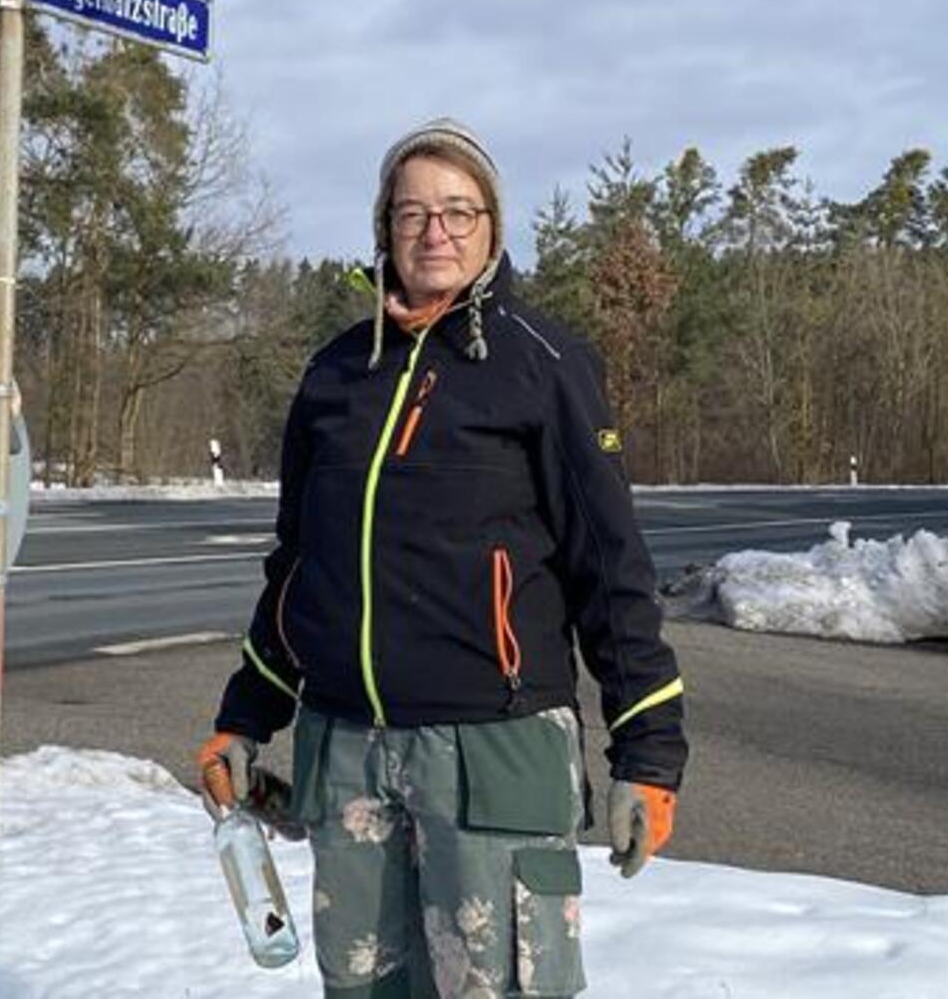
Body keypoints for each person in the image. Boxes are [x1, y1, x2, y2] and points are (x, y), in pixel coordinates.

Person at [197, 119, 688, 998]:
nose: (436, 233)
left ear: (493, 226)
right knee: (362, 989)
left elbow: (610, 572)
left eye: (459, 212)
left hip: (494, 754)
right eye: (413, 212)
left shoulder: (545, 366)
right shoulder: (335, 375)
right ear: (383, 228)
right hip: (345, 751)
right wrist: (244, 719)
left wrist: (647, 756)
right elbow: (297, 568)